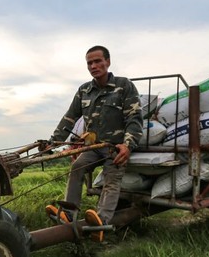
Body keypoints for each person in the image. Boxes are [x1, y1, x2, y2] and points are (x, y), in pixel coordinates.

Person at [45, 45, 143, 240]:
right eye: (90, 63)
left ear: (108, 62)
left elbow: (134, 118)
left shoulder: (124, 86)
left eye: (98, 61)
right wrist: (53, 142)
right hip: (94, 147)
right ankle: (69, 213)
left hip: (114, 148)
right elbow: (70, 118)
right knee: (77, 166)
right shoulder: (84, 90)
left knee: (111, 177)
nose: (94, 66)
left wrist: (128, 144)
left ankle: (102, 221)